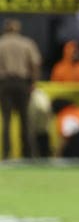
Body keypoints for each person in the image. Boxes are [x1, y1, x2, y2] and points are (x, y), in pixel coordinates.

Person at [0, 19, 41, 159]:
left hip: (4, 83)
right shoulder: (27, 43)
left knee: (6, 120)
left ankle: (6, 154)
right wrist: (33, 82)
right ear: (18, 29)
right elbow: (35, 63)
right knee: (25, 120)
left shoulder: (1, 43)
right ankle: (28, 154)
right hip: (22, 83)